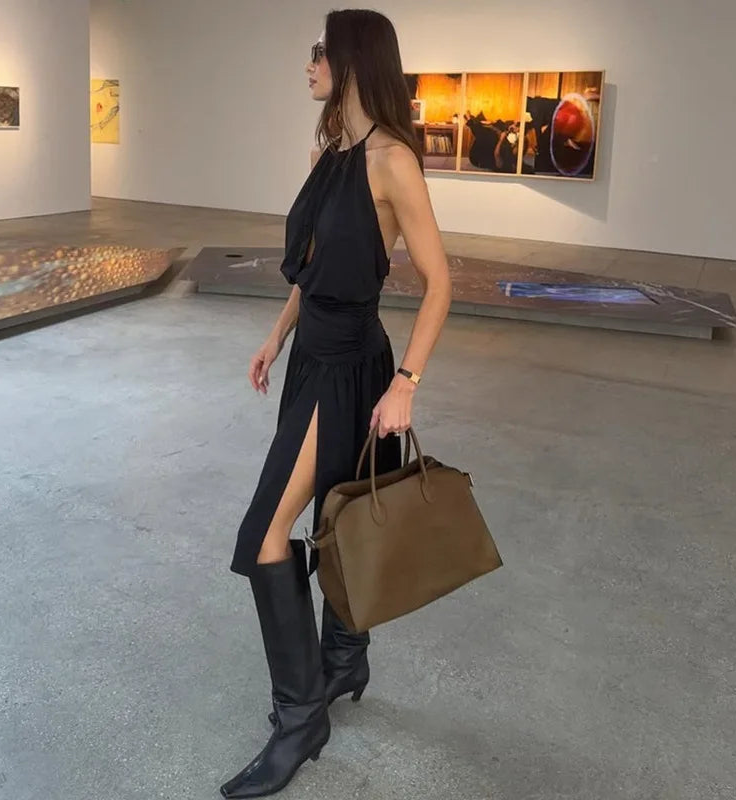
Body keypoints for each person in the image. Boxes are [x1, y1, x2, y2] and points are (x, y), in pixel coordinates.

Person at [220, 9, 452, 798]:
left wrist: (406, 382)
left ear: (353, 60)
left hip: (353, 367)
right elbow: (312, 269)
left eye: (321, 52)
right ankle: (344, 660)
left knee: (265, 534)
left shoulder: (392, 161)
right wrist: (274, 337)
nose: (310, 64)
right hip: (310, 358)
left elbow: (440, 283)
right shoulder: (329, 152)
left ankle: (300, 720)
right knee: (335, 519)